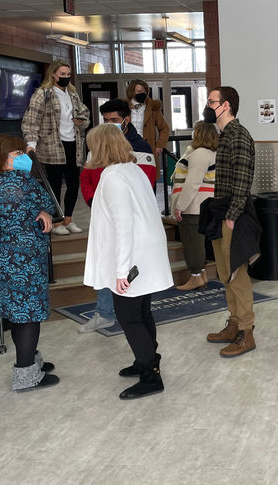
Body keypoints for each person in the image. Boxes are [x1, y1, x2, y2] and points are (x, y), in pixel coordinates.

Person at [83, 124, 173, 400]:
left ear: (99, 148)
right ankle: (146, 359)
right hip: (145, 250)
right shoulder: (132, 170)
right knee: (143, 310)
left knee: (129, 316)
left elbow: (123, 225)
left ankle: (150, 374)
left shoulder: (112, 177)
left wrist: (121, 270)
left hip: (132, 255)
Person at [0, 134, 59, 391]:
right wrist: (40, 210)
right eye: (16, 153)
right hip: (23, 257)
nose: (23, 156)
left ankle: (29, 361)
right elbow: (50, 204)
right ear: (2, 159)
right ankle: (26, 376)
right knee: (28, 315)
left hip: (1, 253)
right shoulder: (22, 181)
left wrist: (34, 210)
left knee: (17, 313)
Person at [77, 99, 157, 333]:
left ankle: (132, 315)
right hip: (103, 214)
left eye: (114, 120)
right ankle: (104, 312)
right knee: (105, 264)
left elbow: (147, 182)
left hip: (131, 219)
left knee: (125, 268)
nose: (109, 124)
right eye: (106, 120)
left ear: (126, 119)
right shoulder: (98, 145)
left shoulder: (140, 147)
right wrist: (94, 201)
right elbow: (86, 177)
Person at [201, 86, 261, 357]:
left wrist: (232, 216)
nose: (208, 106)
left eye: (211, 101)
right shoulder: (224, 135)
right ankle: (234, 323)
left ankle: (246, 332)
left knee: (236, 274)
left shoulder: (239, 135)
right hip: (221, 210)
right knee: (225, 273)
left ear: (225, 105)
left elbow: (243, 179)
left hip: (232, 215)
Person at [22, 59, 90, 235]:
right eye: (62, 74)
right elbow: (31, 120)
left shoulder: (73, 94)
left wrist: (82, 121)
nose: (66, 77)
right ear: (53, 74)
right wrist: (31, 143)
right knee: (54, 185)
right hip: (52, 146)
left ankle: (68, 219)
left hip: (73, 144)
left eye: (68, 75)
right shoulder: (43, 94)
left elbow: (85, 113)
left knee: (74, 184)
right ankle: (57, 221)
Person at [171, 121, 218, 291]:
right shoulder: (211, 153)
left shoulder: (199, 154)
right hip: (203, 204)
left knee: (192, 242)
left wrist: (180, 206)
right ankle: (202, 274)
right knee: (198, 242)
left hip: (194, 205)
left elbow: (192, 184)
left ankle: (196, 276)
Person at [125, 79, 170, 172]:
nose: (143, 93)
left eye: (145, 91)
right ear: (131, 92)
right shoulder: (124, 107)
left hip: (147, 147)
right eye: (139, 91)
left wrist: (160, 145)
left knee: (149, 175)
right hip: (127, 147)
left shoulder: (153, 108)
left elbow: (164, 128)